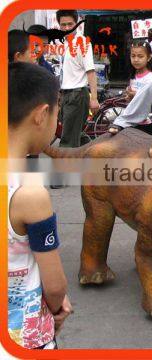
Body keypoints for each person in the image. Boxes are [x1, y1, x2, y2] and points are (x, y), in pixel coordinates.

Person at [8, 62, 72, 349]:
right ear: (42, 114)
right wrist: (57, 307)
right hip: (24, 334)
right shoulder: (29, 194)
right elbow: (55, 285)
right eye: (57, 112)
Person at [56, 9, 99, 148]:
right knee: (75, 134)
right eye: (63, 25)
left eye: (70, 24)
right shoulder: (65, 43)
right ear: (59, 25)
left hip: (77, 95)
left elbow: (91, 72)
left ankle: (66, 169)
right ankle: (92, 157)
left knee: (67, 140)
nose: (67, 28)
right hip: (66, 94)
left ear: (77, 23)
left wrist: (94, 99)